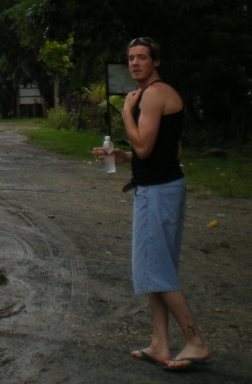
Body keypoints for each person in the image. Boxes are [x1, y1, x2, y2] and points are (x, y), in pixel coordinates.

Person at [93, 37, 212, 371]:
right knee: (156, 269)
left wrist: (127, 112)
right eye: (131, 58)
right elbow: (168, 152)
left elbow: (144, 148)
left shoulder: (152, 95)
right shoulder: (162, 94)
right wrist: (122, 155)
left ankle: (195, 341)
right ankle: (160, 343)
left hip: (157, 192)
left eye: (142, 58)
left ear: (155, 62)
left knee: (154, 270)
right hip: (165, 186)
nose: (135, 63)